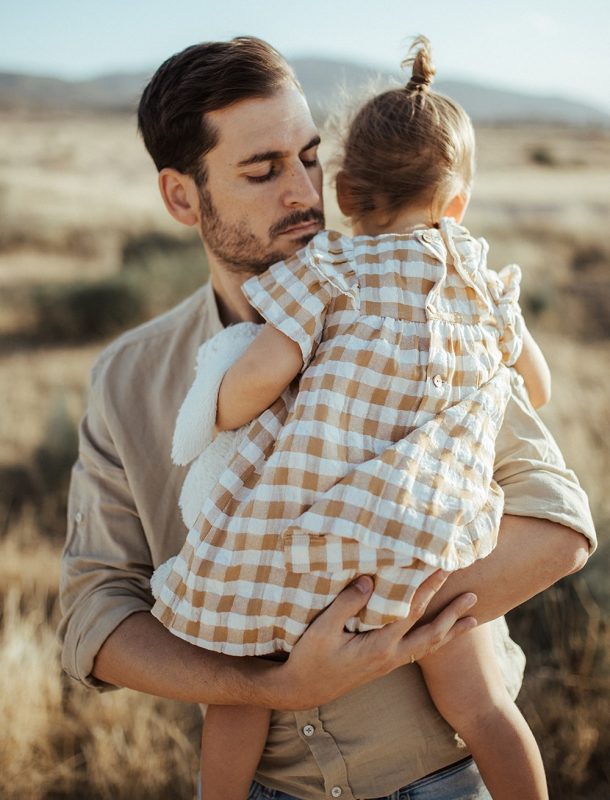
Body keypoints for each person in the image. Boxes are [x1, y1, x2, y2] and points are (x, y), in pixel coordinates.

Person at [58, 36, 596, 800]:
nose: (304, 193)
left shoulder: (424, 309)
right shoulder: (126, 379)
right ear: (182, 197)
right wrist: (272, 686)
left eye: (310, 158)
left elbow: (559, 527)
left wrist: (372, 625)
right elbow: (93, 613)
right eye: (264, 169)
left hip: (441, 776)